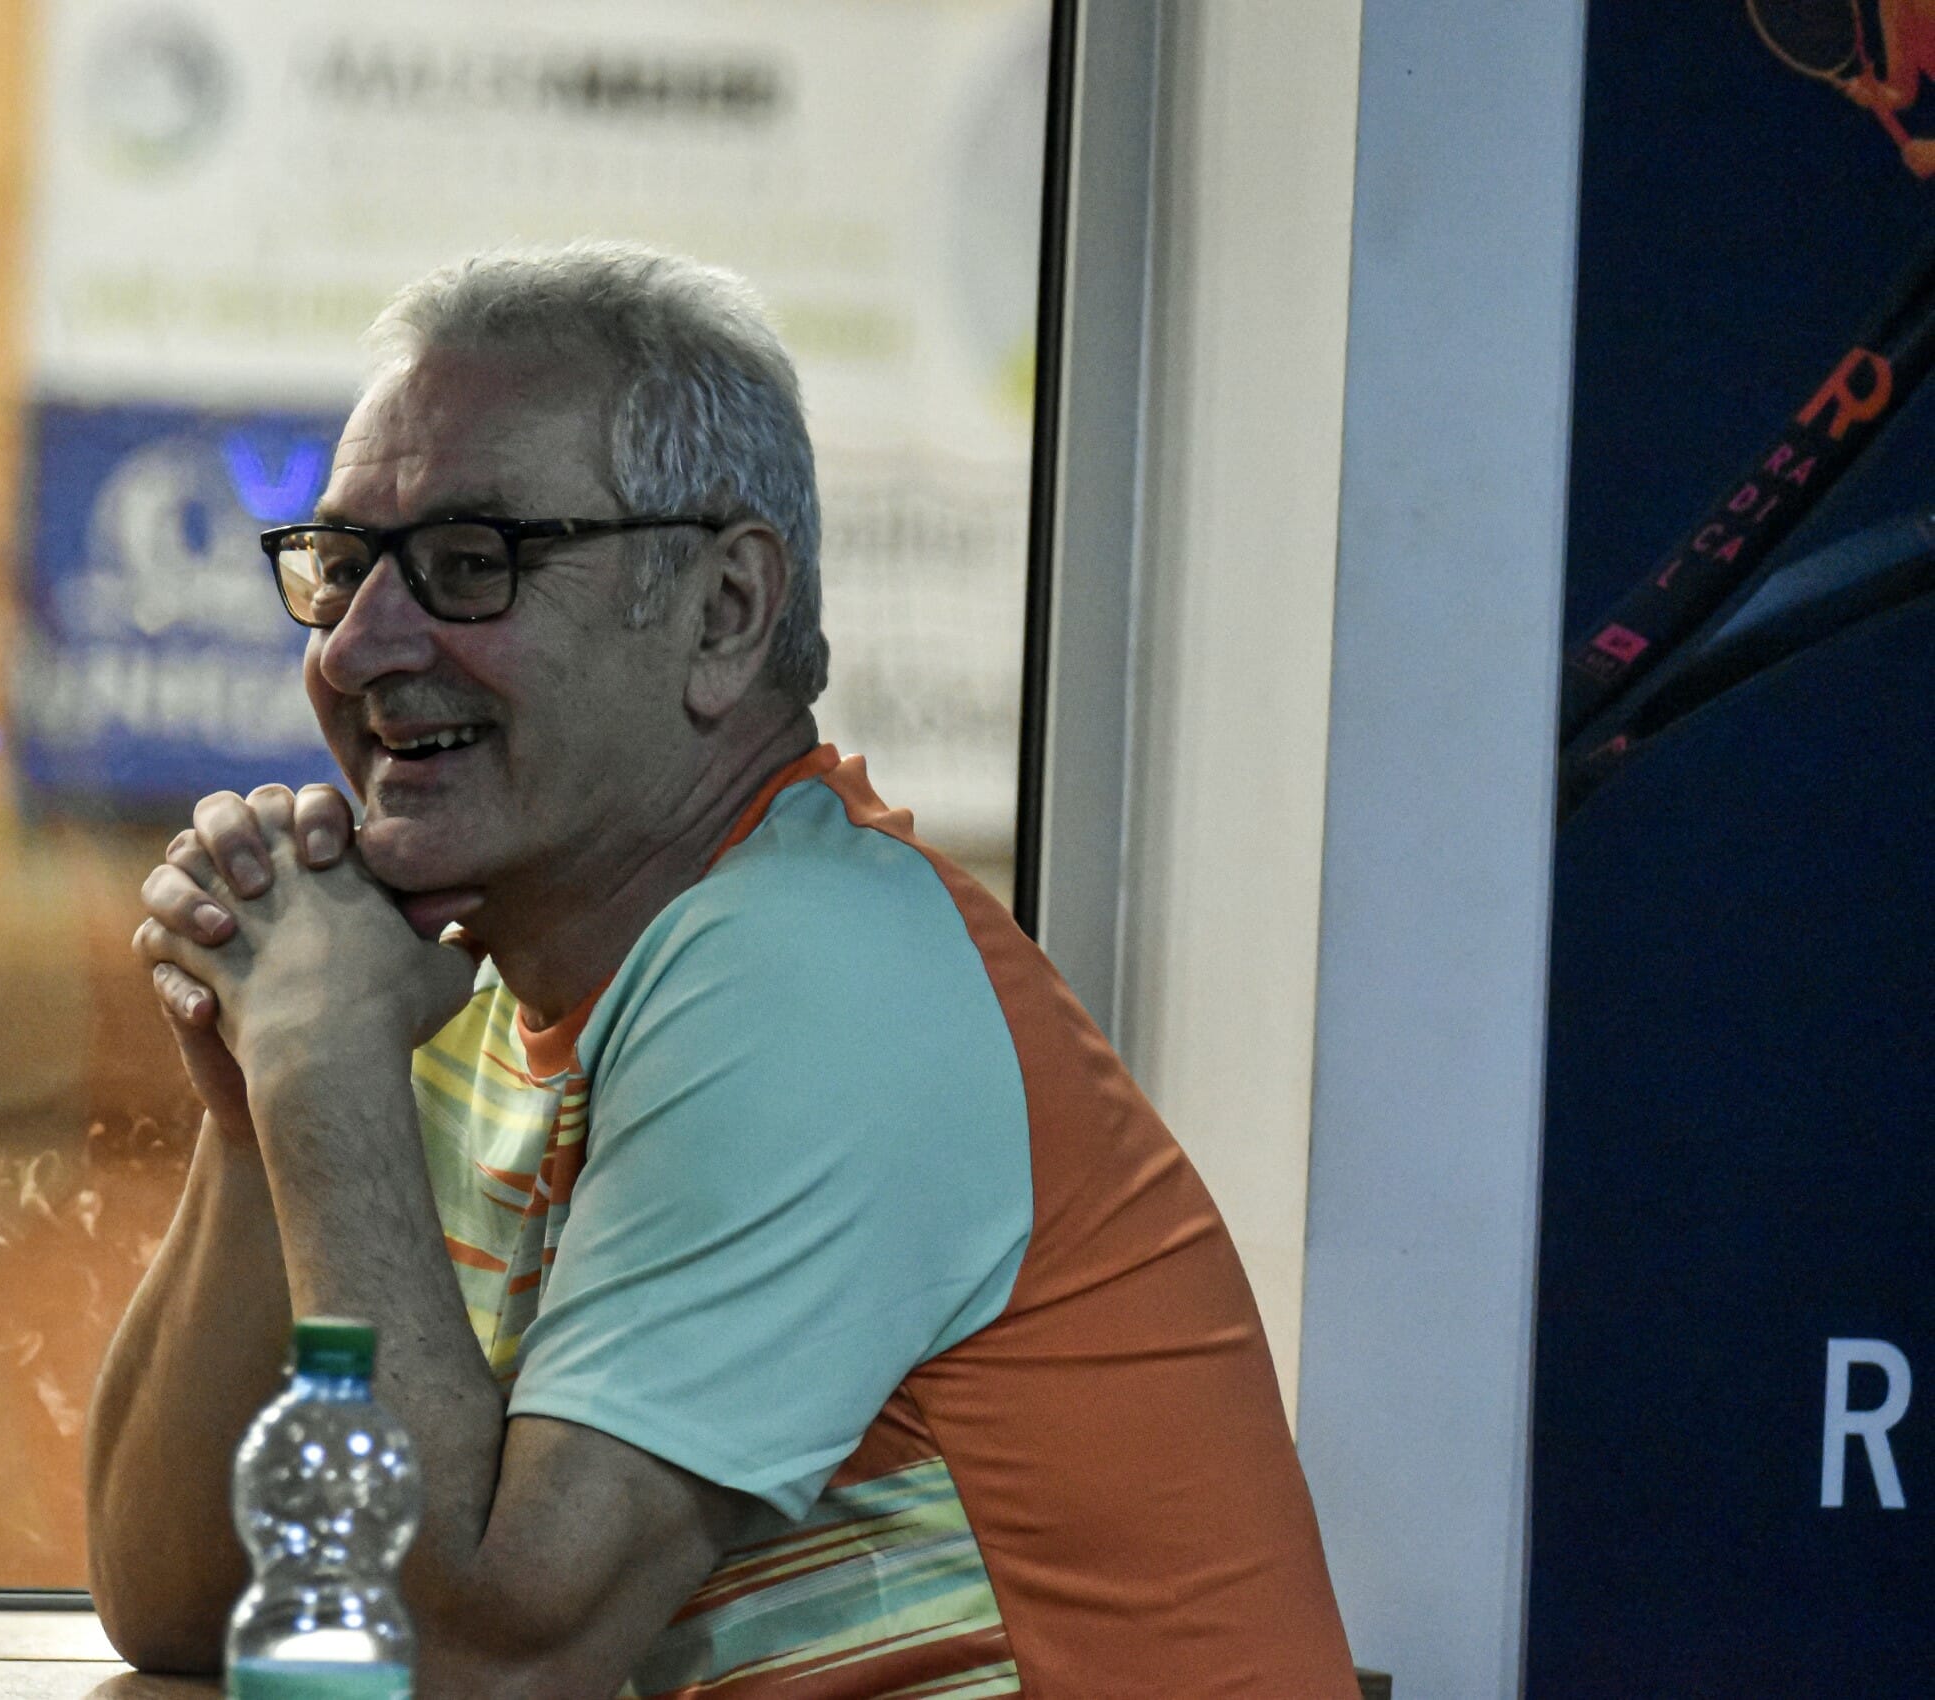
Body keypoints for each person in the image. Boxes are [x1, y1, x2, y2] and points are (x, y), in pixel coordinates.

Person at [86, 242, 1358, 1697]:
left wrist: (319, 1068)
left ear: (723, 613)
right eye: (342, 566)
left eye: (470, 563)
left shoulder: (812, 969)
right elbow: (181, 1602)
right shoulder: (468, 977)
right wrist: (262, 1112)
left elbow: (489, 1666)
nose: (360, 646)